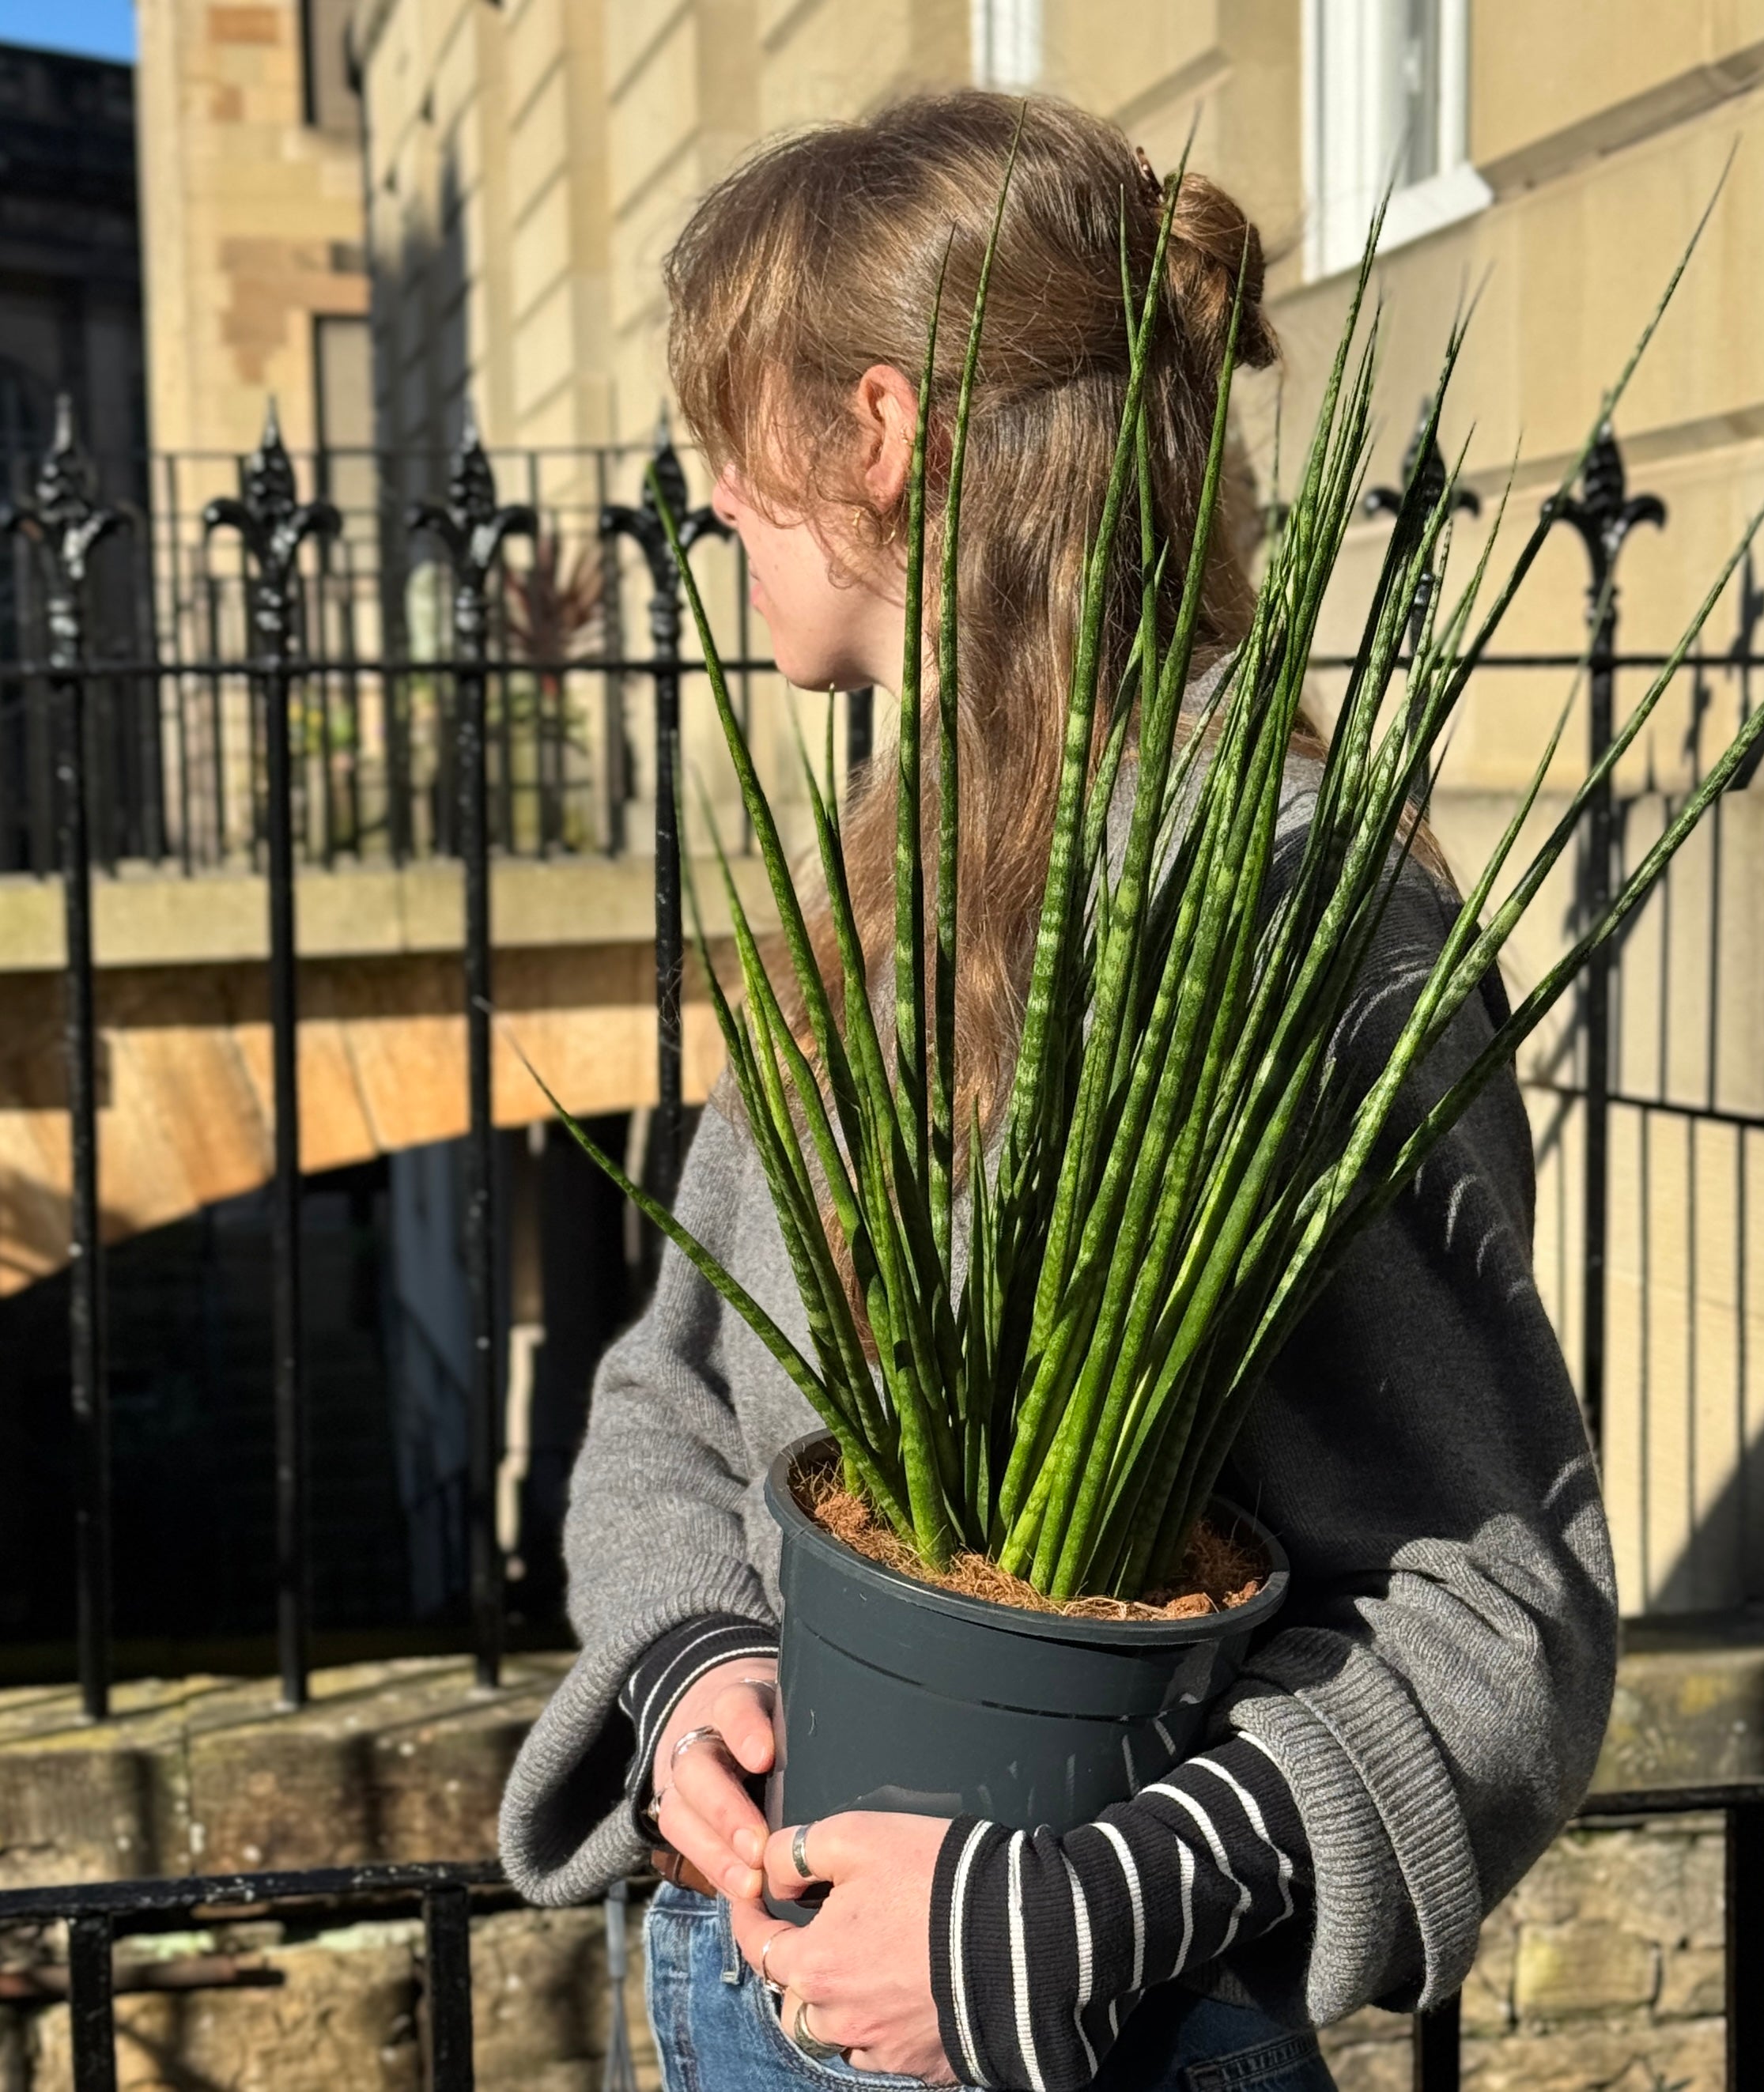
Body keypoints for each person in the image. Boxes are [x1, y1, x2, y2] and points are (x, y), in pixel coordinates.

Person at [498, 89, 1615, 2092]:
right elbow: (678, 1388)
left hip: (1092, 2035)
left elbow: (1495, 1600)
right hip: (750, 1987)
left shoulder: (1282, 901)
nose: (716, 502)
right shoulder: (882, 871)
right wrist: (696, 1670)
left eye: (730, 439)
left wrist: (1087, 1907)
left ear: (878, 431)